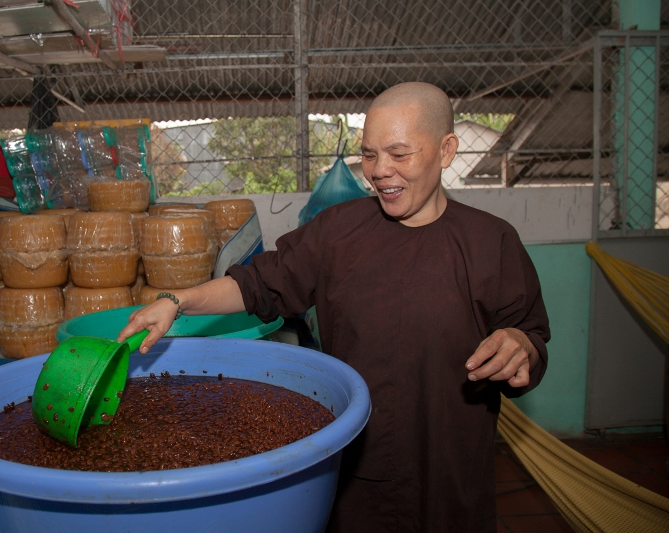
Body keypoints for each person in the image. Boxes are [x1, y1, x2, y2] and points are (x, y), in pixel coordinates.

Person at [118, 82, 550, 532]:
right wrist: (178, 301)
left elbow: (530, 334)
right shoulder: (339, 232)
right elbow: (260, 283)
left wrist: (520, 346)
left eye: (399, 154)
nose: (380, 171)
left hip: (451, 469)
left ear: (446, 150)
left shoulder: (491, 242)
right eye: (369, 154)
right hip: (359, 464)